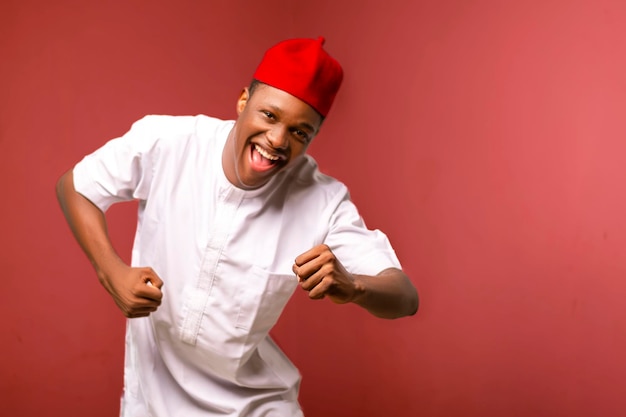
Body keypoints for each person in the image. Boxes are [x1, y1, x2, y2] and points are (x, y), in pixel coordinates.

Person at [56, 37, 419, 417]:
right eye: (269, 115)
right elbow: (75, 186)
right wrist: (111, 271)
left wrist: (355, 286)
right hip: (150, 402)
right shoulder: (170, 143)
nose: (277, 141)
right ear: (243, 101)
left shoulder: (323, 201)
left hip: (257, 408)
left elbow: (405, 297)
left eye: (300, 133)